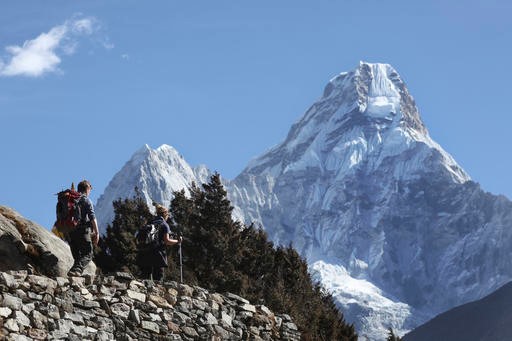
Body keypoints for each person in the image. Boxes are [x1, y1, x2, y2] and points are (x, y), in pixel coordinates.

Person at [137, 203, 181, 281]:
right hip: (158, 254)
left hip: (145, 252)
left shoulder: (151, 222)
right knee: (158, 279)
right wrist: (178, 241)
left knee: (145, 278)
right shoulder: (164, 224)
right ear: (165, 215)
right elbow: (167, 241)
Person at [67, 180, 99, 277]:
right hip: (82, 231)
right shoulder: (86, 200)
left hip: (70, 232)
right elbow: (92, 217)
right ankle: (77, 270)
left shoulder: (71, 200)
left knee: (78, 257)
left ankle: (73, 275)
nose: (90, 191)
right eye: (90, 189)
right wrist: (97, 233)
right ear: (87, 188)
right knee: (88, 253)